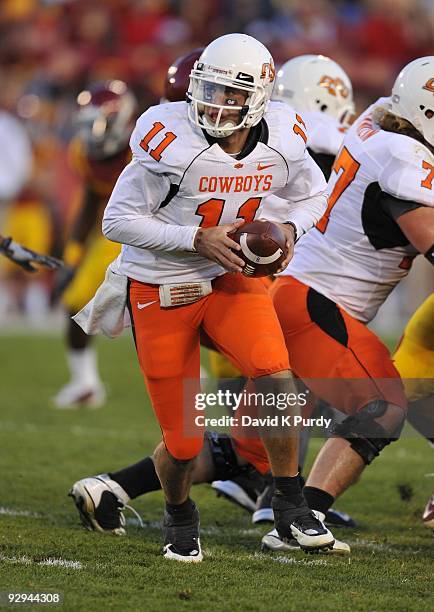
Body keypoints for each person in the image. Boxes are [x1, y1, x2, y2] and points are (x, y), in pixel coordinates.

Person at [70, 33, 335, 562]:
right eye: (208, 90)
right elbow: (116, 220)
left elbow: (313, 194)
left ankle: (289, 506)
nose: (216, 104)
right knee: (185, 440)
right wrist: (196, 238)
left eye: (231, 94)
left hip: (229, 278)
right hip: (160, 282)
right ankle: (179, 514)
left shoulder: (283, 135)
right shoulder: (168, 136)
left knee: (274, 370)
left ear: (258, 96)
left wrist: (286, 229)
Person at [261, 55, 434, 551]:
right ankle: (302, 518)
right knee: (384, 405)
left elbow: (388, 103)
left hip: (303, 297)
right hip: (315, 302)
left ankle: (113, 486)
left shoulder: (380, 120)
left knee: (241, 447)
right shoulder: (403, 158)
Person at [212, 54, 357, 528]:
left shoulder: (264, 132)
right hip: (276, 279)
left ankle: (258, 481)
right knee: (296, 385)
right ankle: (274, 491)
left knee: (274, 391)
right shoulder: (314, 141)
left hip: (236, 277)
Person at [52, 80, 137, 408]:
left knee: (161, 313)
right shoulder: (82, 154)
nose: (91, 134)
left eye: (96, 125)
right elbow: (90, 201)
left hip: (161, 237)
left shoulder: (143, 146)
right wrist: (71, 258)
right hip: (113, 237)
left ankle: (193, 378)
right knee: (76, 303)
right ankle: (85, 383)